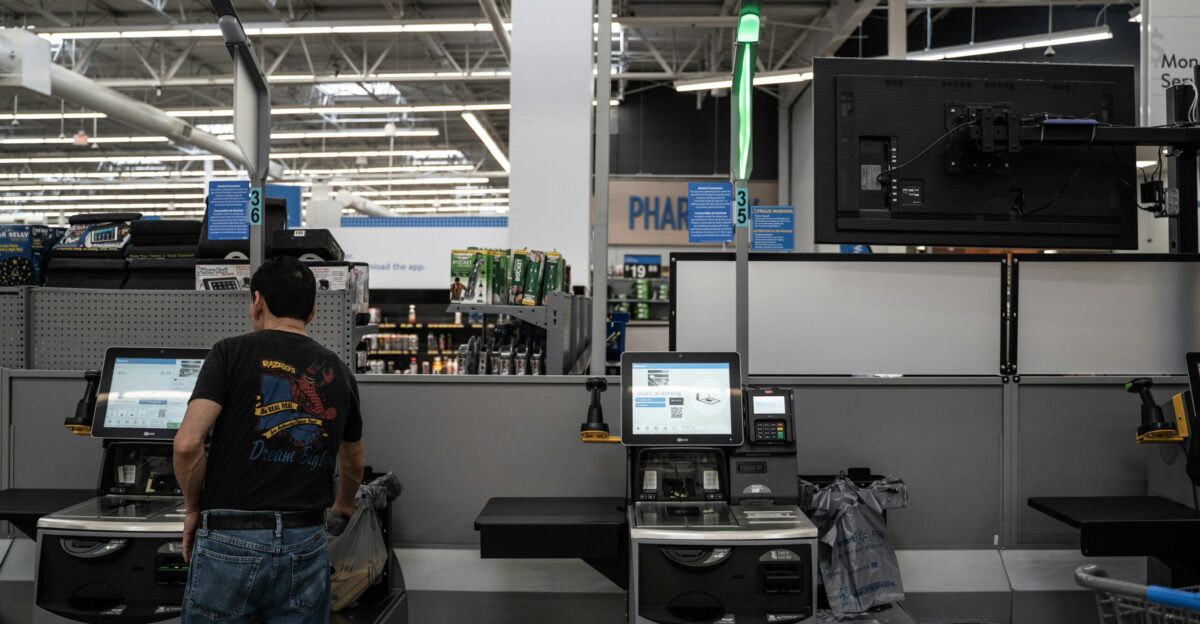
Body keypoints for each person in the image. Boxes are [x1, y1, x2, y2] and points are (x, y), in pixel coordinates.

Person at [174, 256, 365, 624]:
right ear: (312, 312)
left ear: (257, 301)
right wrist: (343, 505)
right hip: (305, 539)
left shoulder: (229, 353)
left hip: (230, 538)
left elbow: (187, 444)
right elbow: (353, 461)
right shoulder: (339, 371)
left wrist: (193, 508)